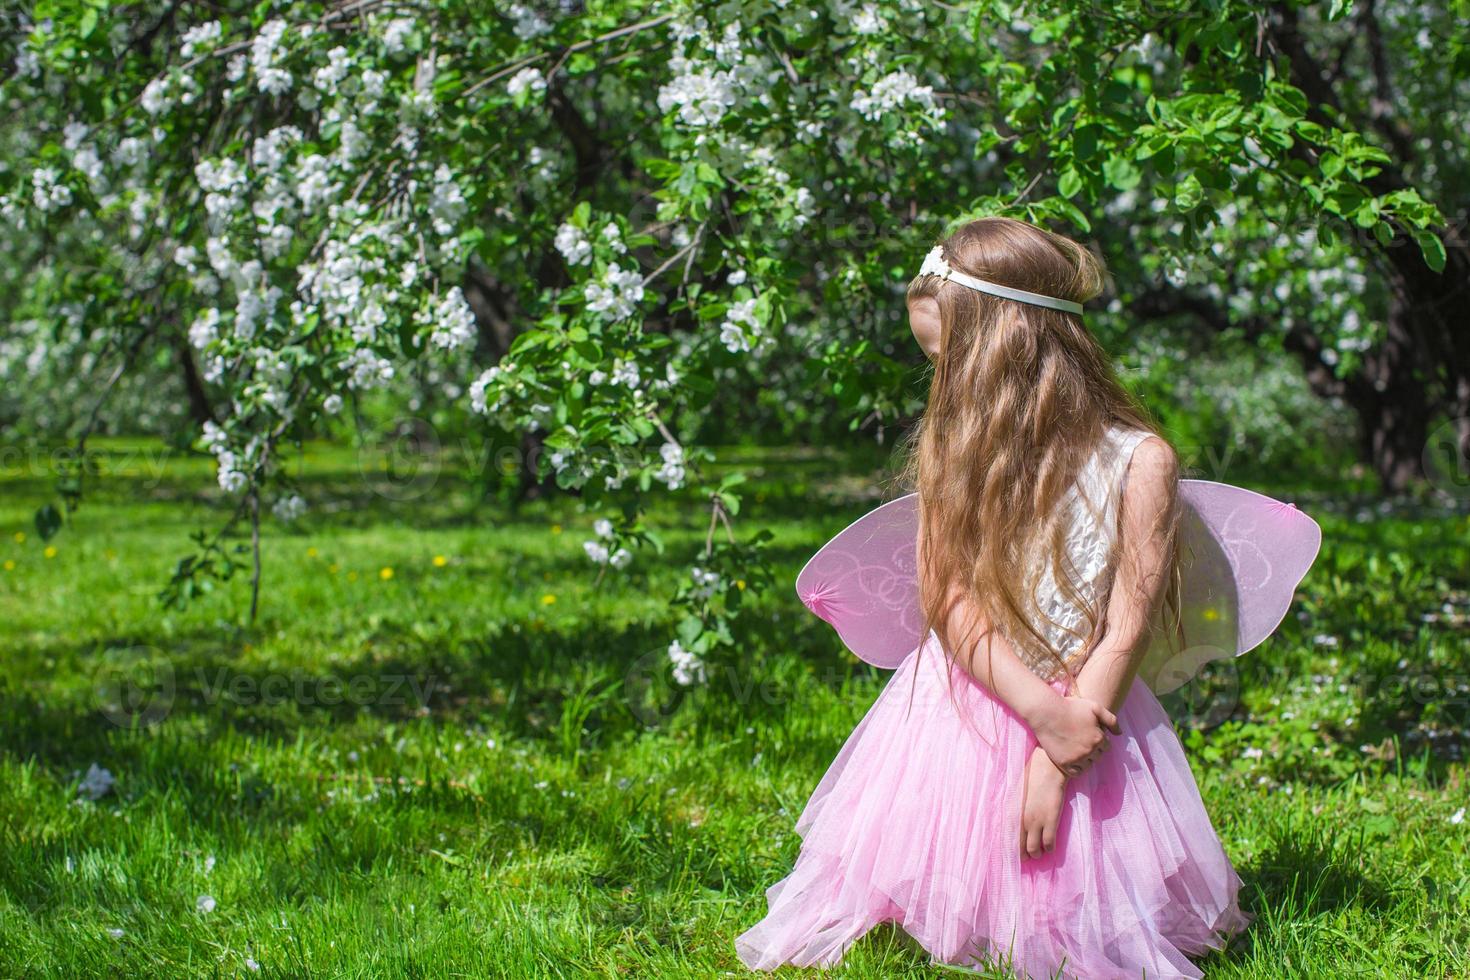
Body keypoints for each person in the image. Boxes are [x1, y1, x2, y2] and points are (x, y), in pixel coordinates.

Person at [734, 216, 1251, 978]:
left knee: (1072, 895)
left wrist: (1059, 753)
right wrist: (1041, 716)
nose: (940, 381)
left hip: (1090, 705)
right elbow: (947, 600)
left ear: (1008, 341)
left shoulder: (1141, 461)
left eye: (948, 358)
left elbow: (1126, 624)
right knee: (959, 851)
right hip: (973, 693)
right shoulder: (955, 451)